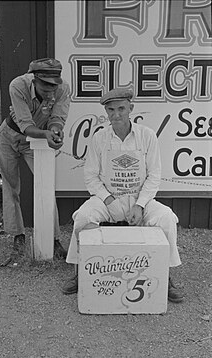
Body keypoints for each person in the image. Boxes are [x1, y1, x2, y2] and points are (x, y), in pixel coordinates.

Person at [62, 88, 184, 303]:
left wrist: (140, 205)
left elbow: (154, 176)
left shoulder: (146, 136)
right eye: (110, 110)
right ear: (106, 112)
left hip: (139, 199)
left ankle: (165, 276)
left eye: (121, 108)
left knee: (166, 218)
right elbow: (91, 176)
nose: (116, 114)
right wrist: (108, 200)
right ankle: (80, 271)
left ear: (131, 109)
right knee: (83, 217)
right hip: (107, 199)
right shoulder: (99, 138)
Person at [0, 58, 71, 266]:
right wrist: (47, 133)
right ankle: (18, 238)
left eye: (53, 84)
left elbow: (58, 118)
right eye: (45, 85)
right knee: (11, 187)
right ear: (33, 78)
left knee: (46, 188)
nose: (51, 90)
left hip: (37, 139)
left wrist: (55, 131)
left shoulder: (63, 88)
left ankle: (54, 240)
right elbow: (25, 125)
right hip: (10, 135)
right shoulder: (18, 85)